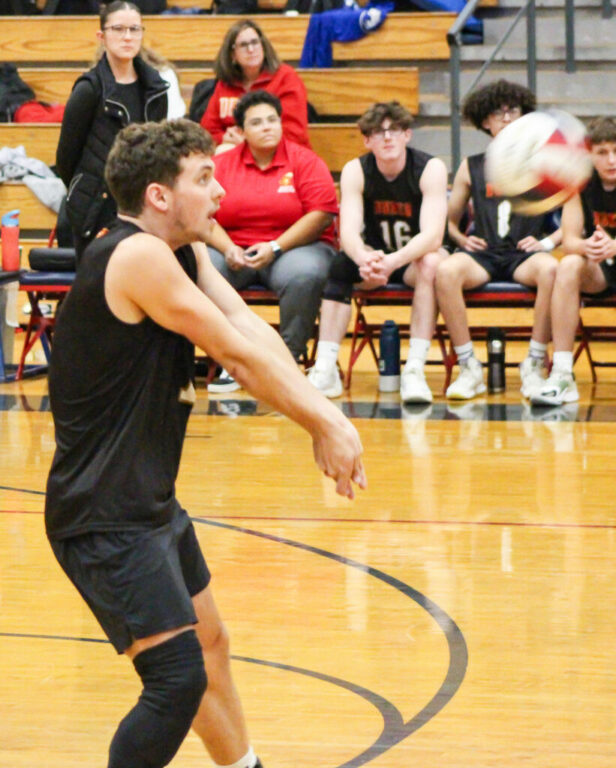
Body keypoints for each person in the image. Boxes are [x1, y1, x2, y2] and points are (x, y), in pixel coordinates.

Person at [45, 118, 366, 768]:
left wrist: (323, 412)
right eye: (202, 177)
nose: (219, 192)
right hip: (101, 514)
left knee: (211, 644)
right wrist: (324, 425)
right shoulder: (134, 257)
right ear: (160, 196)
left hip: (147, 502)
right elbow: (232, 357)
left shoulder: (180, 253)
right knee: (176, 681)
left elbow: (248, 327)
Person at [306, 100, 448, 403]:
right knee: (340, 266)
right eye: (378, 132)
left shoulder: (429, 168)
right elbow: (348, 232)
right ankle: (326, 367)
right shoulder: (356, 170)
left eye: (394, 130)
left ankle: (414, 371)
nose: (387, 137)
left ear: (407, 135)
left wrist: (393, 260)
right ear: (367, 140)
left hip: (411, 259)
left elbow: (433, 236)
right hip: (375, 259)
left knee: (432, 263)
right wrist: (361, 258)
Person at [436, 79, 561, 401]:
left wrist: (547, 243)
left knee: (551, 270)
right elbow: (448, 222)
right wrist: (461, 239)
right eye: (498, 112)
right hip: (485, 254)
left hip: (524, 255)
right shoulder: (471, 166)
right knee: (446, 271)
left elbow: (574, 221)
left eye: (513, 111)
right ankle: (468, 367)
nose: (507, 119)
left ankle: (534, 364)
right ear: (485, 121)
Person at [206, 90, 338, 391]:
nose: (267, 127)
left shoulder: (305, 160)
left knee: (304, 274)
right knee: (202, 268)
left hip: (294, 248)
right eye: (257, 122)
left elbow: (321, 214)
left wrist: (276, 246)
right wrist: (228, 248)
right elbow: (203, 214)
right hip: (234, 249)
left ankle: (286, 360)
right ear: (240, 131)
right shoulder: (222, 164)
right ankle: (232, 361)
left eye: (272, 120)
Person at [56, 0, 168, 260]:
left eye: (134, 29)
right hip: (95, 208)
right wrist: (90, 191)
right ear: (102, 36)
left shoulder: (156, 89)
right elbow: (66, 159)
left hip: (142, 207)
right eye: (118, 29)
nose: (127, 37)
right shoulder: (88, 90)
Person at [532, 116, 616, 406]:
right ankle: (563, 374)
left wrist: (614, 246)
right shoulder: (578, 184)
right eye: (603, 152)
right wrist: (589, 246)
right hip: (601, 268)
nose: (611, 160)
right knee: (567, 264)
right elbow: (569, 241)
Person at [200, 19, 310, 152]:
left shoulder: (285, 78)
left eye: (255, 42)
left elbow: (294, 133)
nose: (251, 50)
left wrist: (249, 141)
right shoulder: (226, 83)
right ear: (232, 54)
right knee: (223, 151)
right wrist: (225, 138)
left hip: (281, 153)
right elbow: (207, 131)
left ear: (263, 45)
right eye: (243, 45)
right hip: (234, 151)